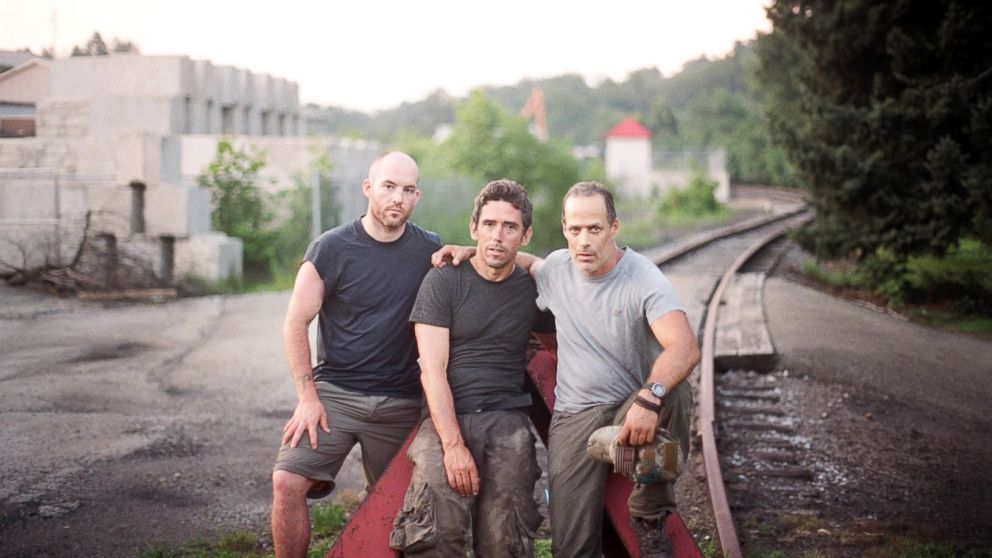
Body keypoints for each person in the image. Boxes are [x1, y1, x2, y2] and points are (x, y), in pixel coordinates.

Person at [435, 181, 699, 557]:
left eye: (594, 229)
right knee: (571, 548)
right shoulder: (557, 268)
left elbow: (685, 345)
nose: (584, 241)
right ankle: (613, 447)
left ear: (614, 227)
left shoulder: (642, 276)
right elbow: (523, 261)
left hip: (630, 404)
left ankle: (649, 511)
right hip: (575, 415)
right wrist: (470, 251)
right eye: (575, 230)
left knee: (675, 388)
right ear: (564, 230)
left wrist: (649, 398)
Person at [270, 151, 441, 558]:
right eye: (388, 186)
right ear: (368, 188)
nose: (397, 197)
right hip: (335, 394)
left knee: (398, 502)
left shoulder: (428, 250)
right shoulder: (330, 248)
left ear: (417, 197)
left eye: (408, 189)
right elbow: (296, 324)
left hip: (401, 400)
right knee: (286, 481)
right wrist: (308, 399)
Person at [389, 180, 555, 558]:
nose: (498, 236)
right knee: (435, 536)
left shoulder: (533, 290)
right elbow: (432, 370)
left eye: (509, 227)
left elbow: (557, 350)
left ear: (525, 234)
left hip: (506, 420)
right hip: (445, 418)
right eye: (490, 224)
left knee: (506, 540)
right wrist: (453, 447)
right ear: (473, 228)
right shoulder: (443, 280)